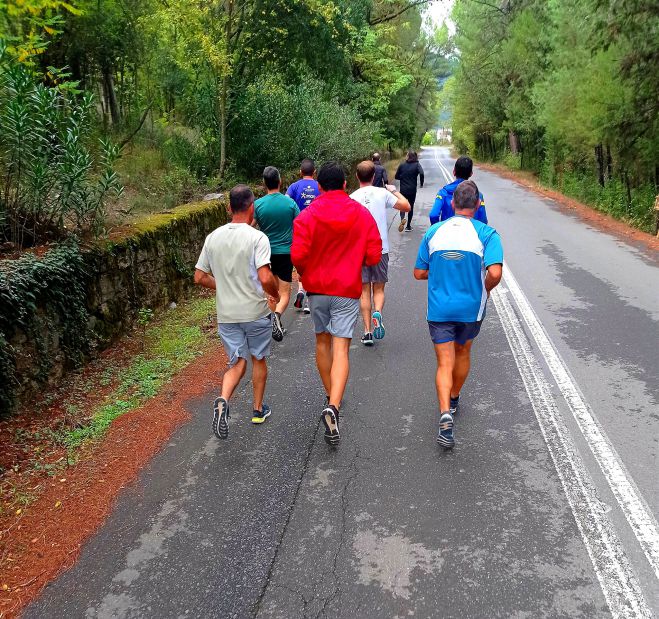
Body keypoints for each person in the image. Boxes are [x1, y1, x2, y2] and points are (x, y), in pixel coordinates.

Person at [291, 162, 382, 445]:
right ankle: (334, 405)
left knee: (322, 343)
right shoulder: (361, 214)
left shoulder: (307, 216)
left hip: (317, 289)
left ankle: (331, 398)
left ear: (319, 186)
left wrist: (307, 274)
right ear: (345, 184)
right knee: (342, 346)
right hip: (346, 289)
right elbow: (374, 256)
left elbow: (297, 256)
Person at [413, 180, 503, 448]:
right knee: (463, 352)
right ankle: (453, 399)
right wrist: (483, 290)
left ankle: (444, 413)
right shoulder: (487, 234)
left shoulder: (434, 232)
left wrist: (440, 271)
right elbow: (495, 273)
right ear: (477, 205)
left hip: (440, 307)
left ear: (452, 204)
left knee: (444, 362)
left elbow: (419, 273)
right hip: (470, 308)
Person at [194, 185, 281, 439]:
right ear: (252, 207)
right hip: (254, 311)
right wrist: (274, 294)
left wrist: (221, 285)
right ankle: (257, 409)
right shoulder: (257, 238)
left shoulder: (212, 238)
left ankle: (223, 399)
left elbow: (199, 276)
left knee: (237, 361)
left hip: (227, 315)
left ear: (229, 208)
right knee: (258, 358)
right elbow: (265, 276)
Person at [350, 160, 410, 346]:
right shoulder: (382, 193)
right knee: (379, 288)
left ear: (357, 176)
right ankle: (379, 312)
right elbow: (406, 206)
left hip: (359, 250)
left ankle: (367, 332)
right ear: (374, 176)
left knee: (363, 291)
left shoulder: (351, 197)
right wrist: (393, 190)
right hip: (380, 248)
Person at [254, 166, 300, 341]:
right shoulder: (290, 203)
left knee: (271, 292)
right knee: (285, 292)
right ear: (280, 182)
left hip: (265, 254)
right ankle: (277, 317)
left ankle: (275, 320)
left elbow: (250, 227)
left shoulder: (258, 205)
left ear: (264, 183)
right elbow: (300, 224)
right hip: (285, 252)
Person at [286, 159, 320, 314]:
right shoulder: (320, 186)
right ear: (314, 172)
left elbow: (286, 204)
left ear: (300, 172)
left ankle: (301, 289)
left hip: (299, 230)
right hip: (317, 230)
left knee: (301, 262)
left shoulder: (294, 187)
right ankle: (309, 299)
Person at [429, 156, 488, 225]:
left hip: (447, 233)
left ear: (454, 172)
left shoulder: (443, 193)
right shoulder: (478, 195)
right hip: (470, 233)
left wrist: (438, 229)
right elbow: (483, 220)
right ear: (471, 174)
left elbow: (433, 215)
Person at [395, 150, 424, 232]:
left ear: (409, 156)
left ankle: (402, 218)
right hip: (412, 190)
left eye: (407, 155)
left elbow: (396, 176)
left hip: (403, 190)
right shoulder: (417, 165)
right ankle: (408, 226)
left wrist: (403, 177)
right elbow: (422, 173)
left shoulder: (402, 165)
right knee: (410, 206)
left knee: (402, 206)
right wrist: (421, 184)